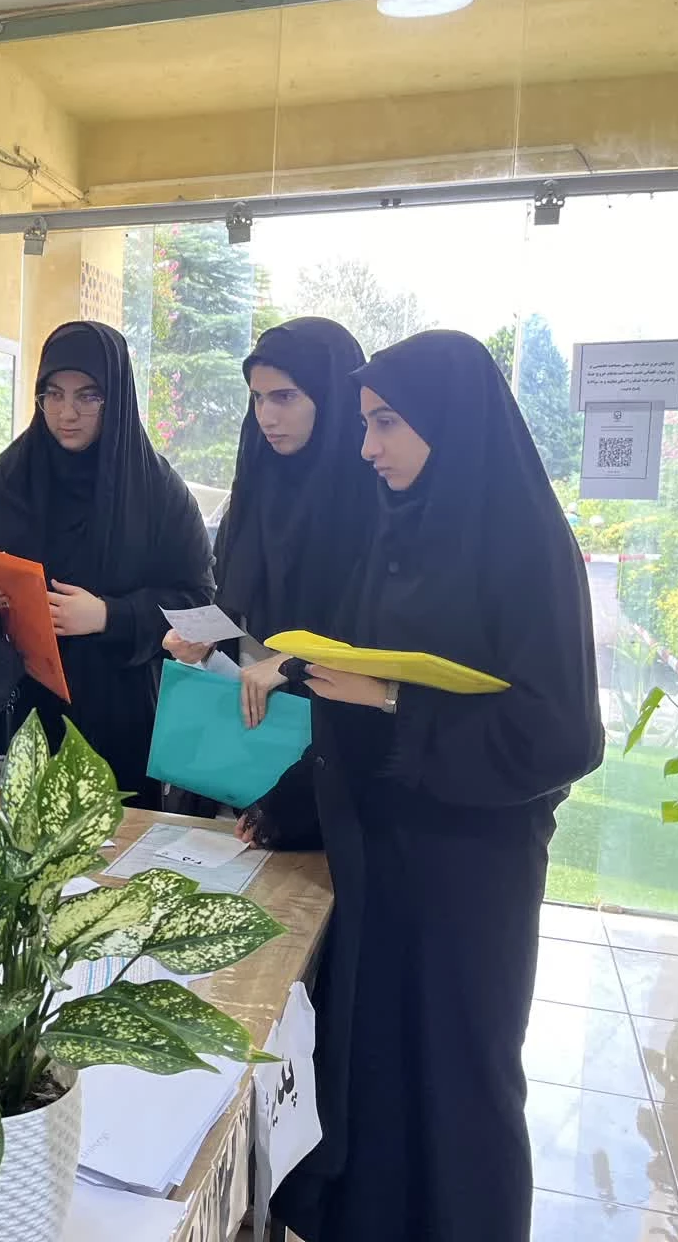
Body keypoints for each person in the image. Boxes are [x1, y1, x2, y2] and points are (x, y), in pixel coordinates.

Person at [264, 331, 604, 1242]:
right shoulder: (392, 530)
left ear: (449, 425)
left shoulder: (527, 546)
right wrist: (290, 797)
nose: (366, 447)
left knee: (460, 1077)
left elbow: (563, 735)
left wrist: (392, 699)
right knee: (377, 1066)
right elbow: (354, 691)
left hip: (471, 868)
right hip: (381, 854)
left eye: (386, 424)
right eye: (363, 423)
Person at [0, 320, 214, 804]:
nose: (67, 413)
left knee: (110, 844)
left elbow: (197, 602)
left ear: (116, 398)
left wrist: (109, 615)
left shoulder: (157, 493)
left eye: (88, 396)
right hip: (10, 712)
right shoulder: (6, 481)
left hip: (114, 718)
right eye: (54, 395)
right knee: (5, 844)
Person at [163, 317, 372, 846]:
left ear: (331, 397)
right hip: (242, 733)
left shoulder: (375, 500)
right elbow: (236, 601)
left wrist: (293, 662)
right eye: (257, 398)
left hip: (335, 743)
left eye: (285, 397)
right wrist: (202, 639)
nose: (267, 416)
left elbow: (379, 631)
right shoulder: (256, 485)